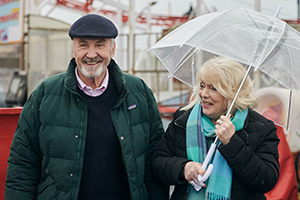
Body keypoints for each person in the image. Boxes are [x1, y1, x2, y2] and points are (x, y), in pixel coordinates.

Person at [5, 14, 168, 200]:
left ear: (113, 49)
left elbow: (153, 161)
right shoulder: (44, 94)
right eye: (83, 45)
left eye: (100, 45)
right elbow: (23, 163)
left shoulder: (139, 92)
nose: (91, 54)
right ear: (74, 50)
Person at [152, 57, 280, 200]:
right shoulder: (183, 121)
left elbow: (266, 180)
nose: (204, 94)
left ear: (233, 93)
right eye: (202, 85)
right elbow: (158, 162)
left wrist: (232, 142)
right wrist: (184, 168)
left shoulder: (261, 128)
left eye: (213, 88)